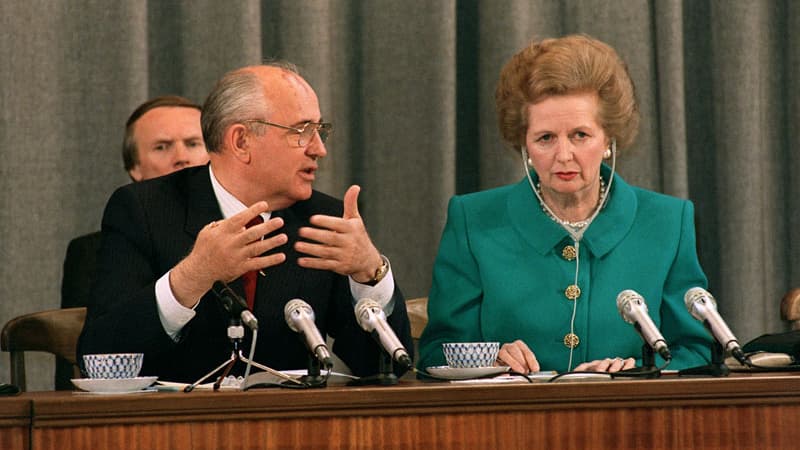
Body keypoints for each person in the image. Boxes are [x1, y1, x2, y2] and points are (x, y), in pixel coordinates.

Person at [77, 62, 412, 383]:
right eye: (302, 131)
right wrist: (191, 277)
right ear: (241, 142)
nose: (319, 149)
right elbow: (102, 357)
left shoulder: (323, 220)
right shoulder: (144, 209)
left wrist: (371, 275)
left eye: (320, 130)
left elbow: (384, 369)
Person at [417, 34, 713, 375]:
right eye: (545, 138)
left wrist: (637, 371)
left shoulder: (667, 221)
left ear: (608, 139)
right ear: (524, 147)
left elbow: (696, 351)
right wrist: (492, 358)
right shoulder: (472, 221)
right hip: (510, 422)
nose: (563, 155)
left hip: (632, 420)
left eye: (580, 135)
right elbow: (436, 355)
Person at [58, 96, 208, 390]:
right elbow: (88, 360)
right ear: (135, 168)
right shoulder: (94, 251)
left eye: (193, 143)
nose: (181, 157)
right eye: (162, 147)